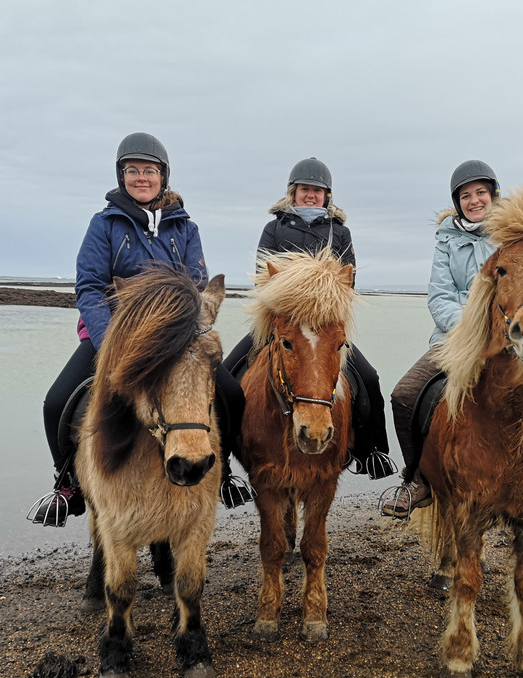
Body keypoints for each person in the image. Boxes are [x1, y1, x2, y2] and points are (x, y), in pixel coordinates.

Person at [29, 132, 241, 525]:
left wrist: (186, 327)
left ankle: (222, 471)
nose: (141, 178)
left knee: (232, 394)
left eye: (149, 170)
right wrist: (111, 340)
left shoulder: (185, 228)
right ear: (121, 175)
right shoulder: (104, 224)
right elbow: (89, 286)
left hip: (174, 339)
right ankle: (67, 485)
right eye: (132, 170)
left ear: (163, 176)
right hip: (116, 335)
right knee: (56, 402)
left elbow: (197, 281)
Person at [381, 160, 523, 531]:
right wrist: (472, 328)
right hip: (456, 339)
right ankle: (416, 479)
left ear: (493, 194)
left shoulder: (514, 235)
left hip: (516, 339)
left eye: (480, 192)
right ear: (457, 202)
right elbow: (439, 297)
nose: (474, 200)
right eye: (465, 195)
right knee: (404, 396)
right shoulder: (446, 240)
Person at [222, 157, 395, 484]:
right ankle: (222, 467)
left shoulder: (339, 232)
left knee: (369, 380)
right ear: (293, 192)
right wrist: (292, 299)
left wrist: (321, 298)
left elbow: (347, 282)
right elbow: (265, 279)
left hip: (325, 328)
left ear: (326, 196)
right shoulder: (273, 229)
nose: (311, 196)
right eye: (305, 190)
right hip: (281, 324)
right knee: (228, 380)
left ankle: (372, 450)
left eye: (317, 191)